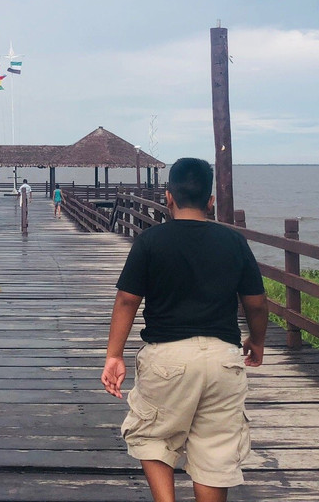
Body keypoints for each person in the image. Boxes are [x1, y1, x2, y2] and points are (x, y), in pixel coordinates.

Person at [101, 158, 268, 502]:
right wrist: (258, 340)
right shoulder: (233, 242)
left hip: (168, 356)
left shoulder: (151, 241)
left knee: (152, 436)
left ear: (168, 197)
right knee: (215, 452)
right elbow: (256, 303)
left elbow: (127, 301)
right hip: (224, 358)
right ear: (211, 202)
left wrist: (114, 355)